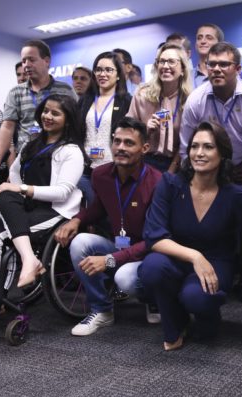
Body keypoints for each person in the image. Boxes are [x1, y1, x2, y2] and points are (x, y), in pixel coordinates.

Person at [0, 95, 85, 318]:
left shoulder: (71, 151)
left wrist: (21, 190)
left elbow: (63, 192)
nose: (48, 116)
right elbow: (15, 175)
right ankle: (29, 260)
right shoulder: (31, 144)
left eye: (56, 113)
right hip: (25, 208)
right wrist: (15, 189)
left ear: (68, 119)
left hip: (54, 211)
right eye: (46, 111)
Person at [139, 122, 242, 350]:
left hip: (217, 261)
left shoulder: (237, 196)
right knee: (151, 268)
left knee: (197, 301)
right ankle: (175, 325)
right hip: (176, 257)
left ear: (222, 154)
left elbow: (241, 243)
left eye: (208, 147)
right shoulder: (170, 184)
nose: (199, 153)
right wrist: (195, 257)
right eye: (194, 146)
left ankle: (207, 314)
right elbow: (154, 237)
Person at [54, 117, 163, 335]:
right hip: (119, 247)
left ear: (145, 148)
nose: (121, 148)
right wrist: (77, 219)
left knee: (124, 278)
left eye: (129, 143)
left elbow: (155, 241)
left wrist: (110, 260)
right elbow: (98, 209)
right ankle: (102, 310)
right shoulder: (100, 175)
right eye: (117, 141)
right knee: (80, 242)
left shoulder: (158, 182)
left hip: (149, 254)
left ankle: (153, 299)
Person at [179, 41, 242, 193]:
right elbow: (185, 148)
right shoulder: (195, 99)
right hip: (209, 167)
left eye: (224, 64)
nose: (216, 69)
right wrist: (193, 180)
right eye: (212, 64)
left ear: (238, 69)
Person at [0, 40, 76, 175]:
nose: (26, 65)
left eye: (31, 60)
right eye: (23, 61)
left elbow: (75, 123)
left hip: (58, 157)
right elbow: (7, 127)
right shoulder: (15, 92)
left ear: (46, 61)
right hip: (27, 157)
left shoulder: (65, 89)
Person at [77, 51, 132, 205]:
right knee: (88, 211)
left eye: (109, 70)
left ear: (119, 75)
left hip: (113, 167)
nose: (103, 74)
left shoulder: (126, 101)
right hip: (85, 168)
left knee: (109, 212)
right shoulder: (85, 100)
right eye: (99, 69)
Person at [127, 44, 192, 173]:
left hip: (177, 164)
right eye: (162, 61)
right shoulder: (142, 93)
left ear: (183, 69)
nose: (166, 66)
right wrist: (145, 129)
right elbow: (127, 131)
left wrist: (171, 170)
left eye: (171, 62)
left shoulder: (189, 99)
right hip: (144, 160)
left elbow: (188, 141)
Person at [193, 23, 224, 88]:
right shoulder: (186, 77)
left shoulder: (227, 75)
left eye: (209, 38)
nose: (203, 41)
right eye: (199, 38)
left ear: (219, 44)